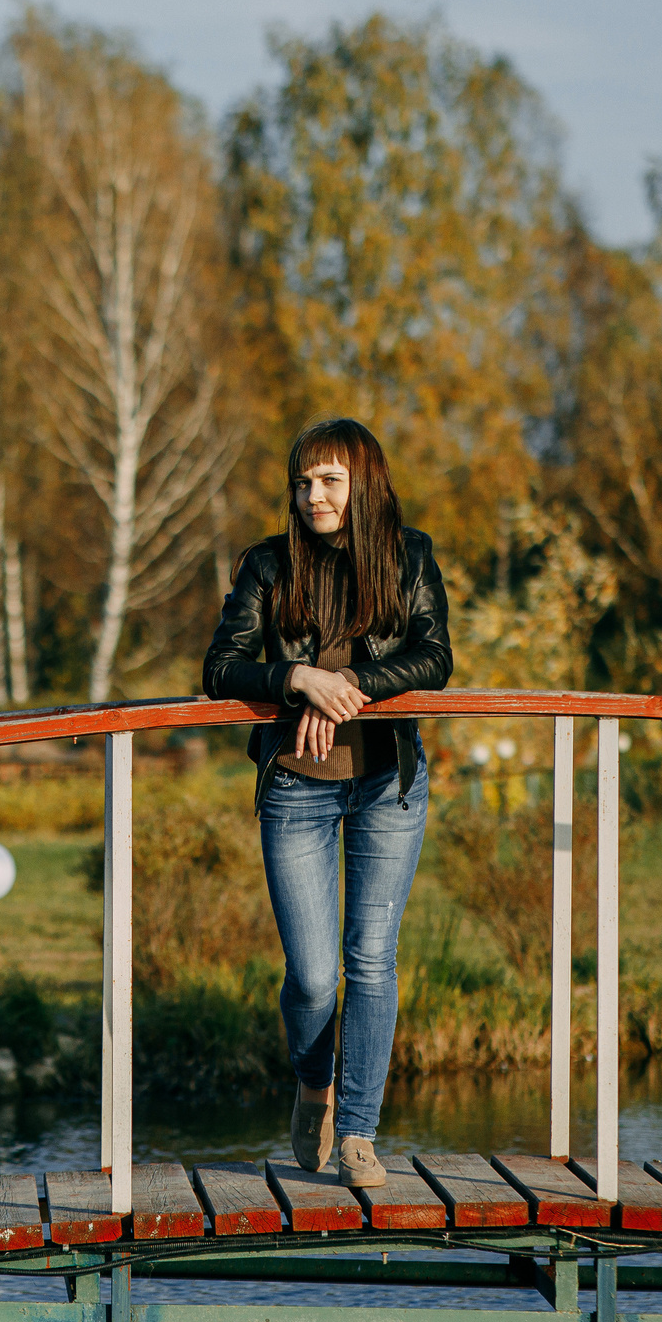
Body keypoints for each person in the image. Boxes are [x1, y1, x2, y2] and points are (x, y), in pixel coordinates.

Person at [200, 417, 450, 1189]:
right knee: (311, 976)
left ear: (364, 483)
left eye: (330, 480)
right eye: (303, 482)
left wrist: (350, 693)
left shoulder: (409, 554)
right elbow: (220, 667)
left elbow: (435, 657)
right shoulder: (268, 566)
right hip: (297, 787)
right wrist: (297, 679)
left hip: (387, 783)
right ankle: (314, 1087)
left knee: (371, 958)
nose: (313, 495)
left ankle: (359, 1133)